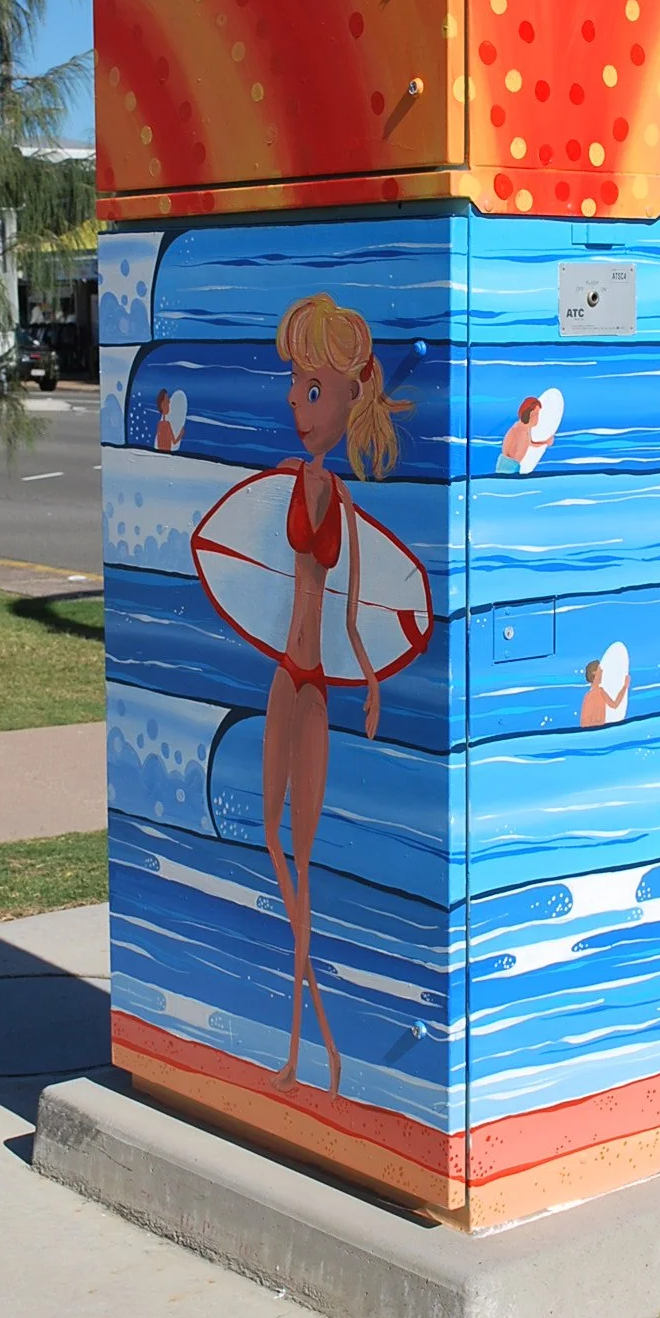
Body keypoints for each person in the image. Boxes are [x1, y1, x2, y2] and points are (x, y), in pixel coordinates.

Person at [262, 293, 410, 1094]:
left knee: (307, 858)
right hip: (282, 676)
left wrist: (373, 680)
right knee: (270, 841)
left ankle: (313, 1041)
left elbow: (355, 611)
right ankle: (310, 1031)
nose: (295, 401)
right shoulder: (289, 479)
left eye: (312, 388)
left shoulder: (343, 501)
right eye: (295, 385)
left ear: (351, 397)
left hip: (317, 684)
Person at [496, 396, 553, 475]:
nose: (537, 418)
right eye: (535, 414)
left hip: (513, 466)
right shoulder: (519, 430)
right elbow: (511, 454)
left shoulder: (526, 428)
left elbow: (530, 443)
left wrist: (545, 442)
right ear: (528, 414)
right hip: (508, 468)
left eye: (537, 414)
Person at [581, 642, 631, 727]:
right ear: (594, 674)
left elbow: (615, 705)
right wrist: (624, 687)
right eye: (600, 671)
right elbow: (615, 705)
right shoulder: (593, 695)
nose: (603, 673)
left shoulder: (599, 692)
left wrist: (624, 687)